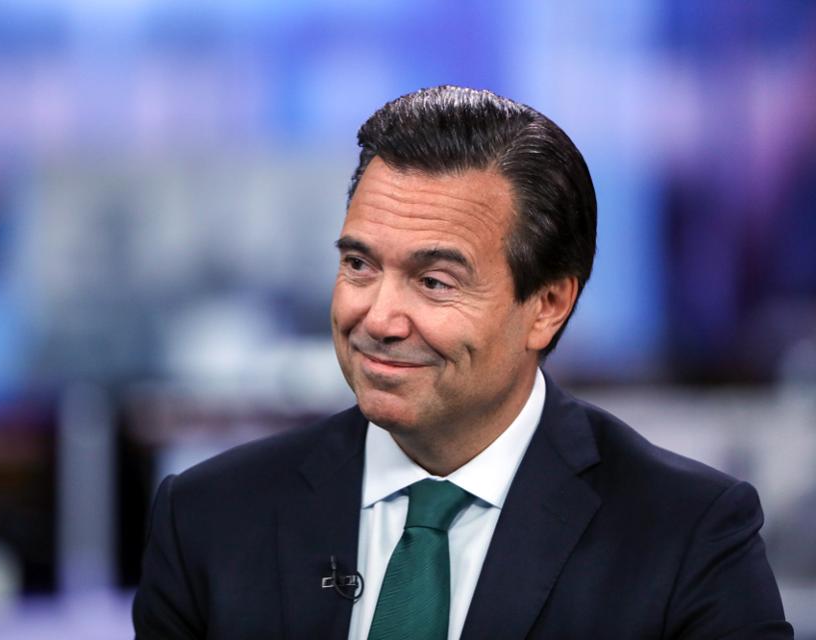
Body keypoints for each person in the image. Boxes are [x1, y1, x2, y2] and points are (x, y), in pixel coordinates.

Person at [132, 86, 792, 639]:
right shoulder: (208, 520)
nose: (379, 319)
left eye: (434, 282)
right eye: (359, 265)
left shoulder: (687, 535)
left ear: (548, 305)